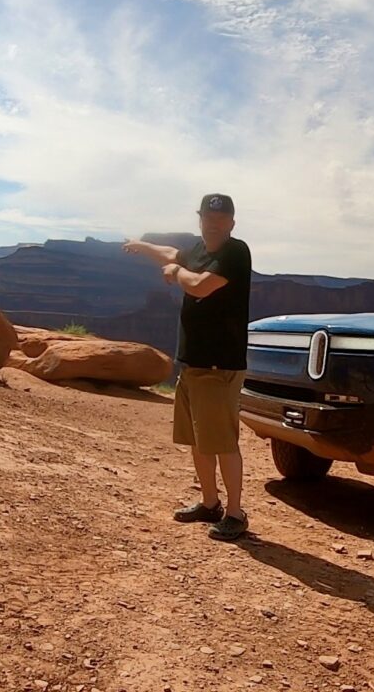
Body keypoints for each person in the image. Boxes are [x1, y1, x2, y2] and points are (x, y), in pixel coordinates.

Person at [123, 193, 252, 541]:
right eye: (208, 216)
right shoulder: (198, 250)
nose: (214, 222)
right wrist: (143, 245)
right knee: (199, 440)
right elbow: (171, 255)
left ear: (231, 223)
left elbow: (200, 285)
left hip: (218, 365)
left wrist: (176, 272)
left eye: (221, 217)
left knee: (223, 442)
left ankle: (236, 513)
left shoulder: (234, 252)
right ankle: (209, 503)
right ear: (200, 219)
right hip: (193, 363)